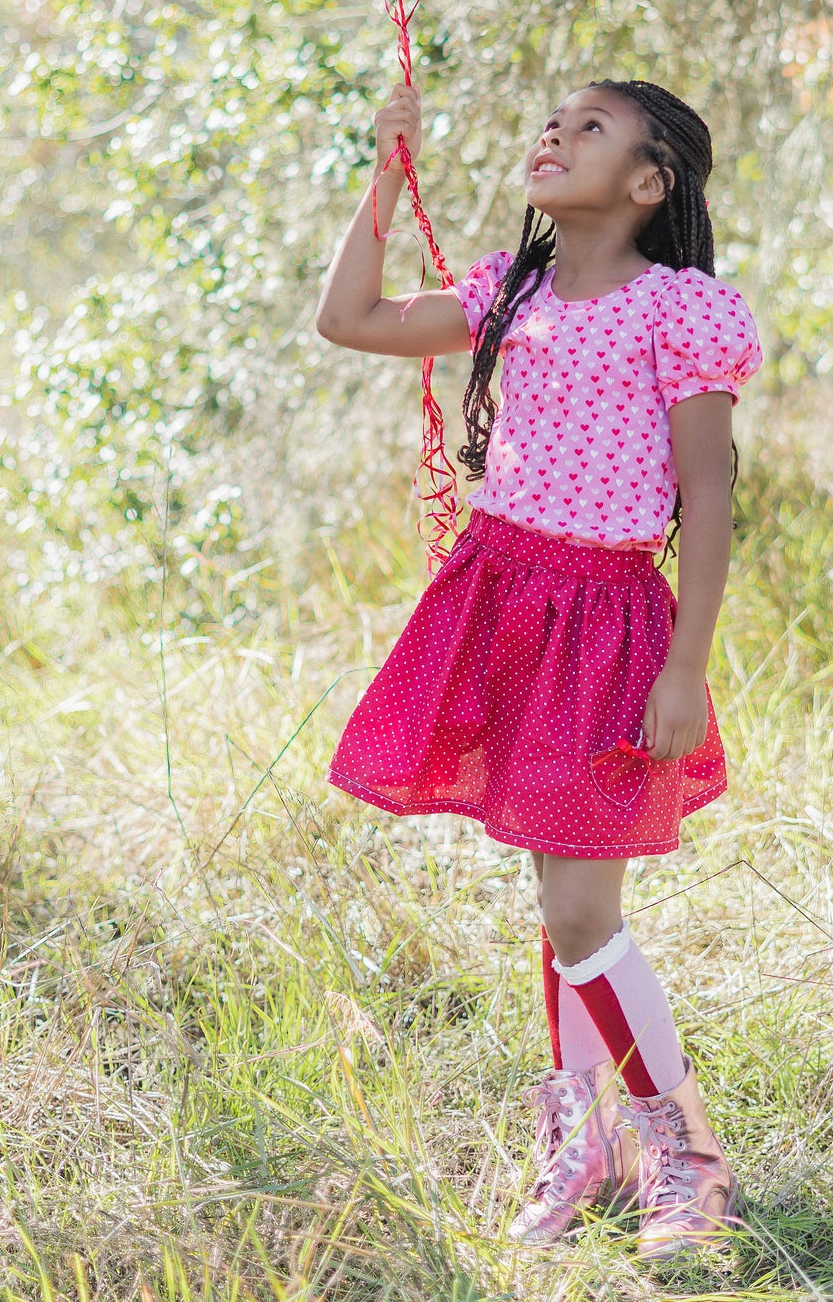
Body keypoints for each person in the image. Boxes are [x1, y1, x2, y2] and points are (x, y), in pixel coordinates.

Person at [316, 79, 762, 1258]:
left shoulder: (679, 308)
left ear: (648, 183)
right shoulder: (509, 290)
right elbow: (349, 319)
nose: (553, 135)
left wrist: (685, 665)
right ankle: (583, 1147)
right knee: (555, 902)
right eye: (552, 121)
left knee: (579, 908)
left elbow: (708, 497)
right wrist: (382, 171)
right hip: (503, 600)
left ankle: (686, 1156)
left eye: (590, 128)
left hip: (609, 619)